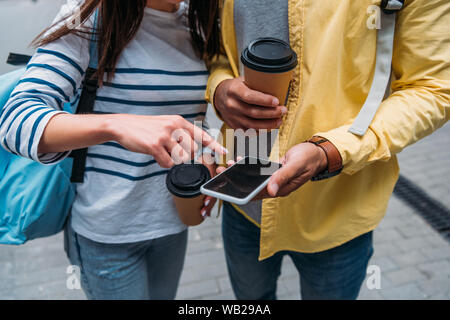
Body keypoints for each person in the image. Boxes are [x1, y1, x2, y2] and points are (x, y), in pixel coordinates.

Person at [209, 0, 449, 299]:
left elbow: (432, 88)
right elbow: (220, 53)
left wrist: (329, 151)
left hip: (336, 211)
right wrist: (219, 89)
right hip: (242, 201)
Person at [0, 0, 225, 299]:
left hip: (174, 223)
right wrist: (116, 125)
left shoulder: (195, 21)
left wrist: (204, 162)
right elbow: (16, 121)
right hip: (106, 235)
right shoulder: (89, 17)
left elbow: (190, 117)